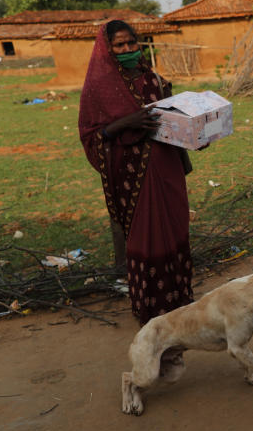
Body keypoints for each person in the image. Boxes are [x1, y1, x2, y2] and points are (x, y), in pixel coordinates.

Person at [78, 20, 195, 326]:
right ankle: (151, 309)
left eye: (132, 43)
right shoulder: (99, 87)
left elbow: (173, 118)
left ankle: (179, 299)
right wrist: (125, 123)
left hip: (167, 165)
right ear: (107, 49)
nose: (128, 49)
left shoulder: (152, 78)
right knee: (147, 236)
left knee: (174, 228)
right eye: (120, 45)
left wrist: (197, 133)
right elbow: (92, 136)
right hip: (131, 174)